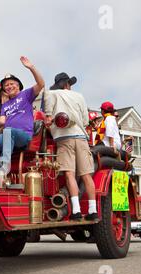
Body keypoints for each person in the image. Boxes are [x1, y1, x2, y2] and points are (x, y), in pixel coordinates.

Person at [45, 72, 97, 221]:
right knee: (86, 175)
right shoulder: (79, 96)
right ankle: (93, 210)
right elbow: (86, 121)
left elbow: (48, 118)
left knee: (69, 174)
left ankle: (76, 210)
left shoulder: (51, 94)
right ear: (68, 84)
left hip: (63, 138)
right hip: (81, 137)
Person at [0, 56, 45, 174]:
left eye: (11, 83)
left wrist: (31, 67)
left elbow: (41, 83)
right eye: (6, 85)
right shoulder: (5, 105)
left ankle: (5, 166)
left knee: (8, 131)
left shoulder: (26, 95)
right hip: (9, 136)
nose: (9, 86)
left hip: (24, 136)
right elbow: (2, 122)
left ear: (18, 85)